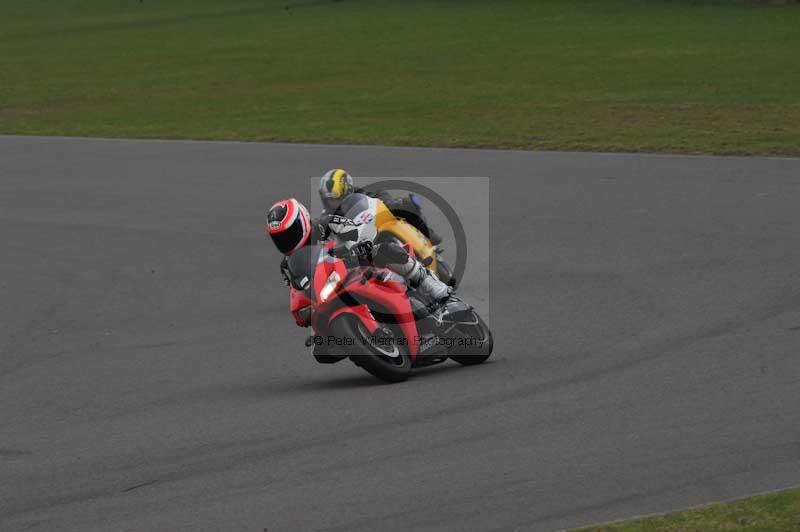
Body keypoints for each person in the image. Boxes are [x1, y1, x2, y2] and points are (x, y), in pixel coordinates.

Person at [266, 198, 451, 303]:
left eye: (291, 233)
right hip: (332, 286)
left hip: (355, 263)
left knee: (385, 250)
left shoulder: (325, 223)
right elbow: (297, 291)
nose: (287, 241)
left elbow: (354, 231)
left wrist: (358, 244)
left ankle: (428, 283)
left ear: (303, 221)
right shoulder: (288, 265)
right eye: (280, 238)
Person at [318, 168, 442, 245]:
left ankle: (428, 234)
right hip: (362, 240)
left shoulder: (362, 194)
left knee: (403, 206)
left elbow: (380, 201)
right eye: (329, 199)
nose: (332, 203)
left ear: (347, 192)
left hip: (378, 210)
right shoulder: (327, 214)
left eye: (336, 198)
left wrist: (387, 205)